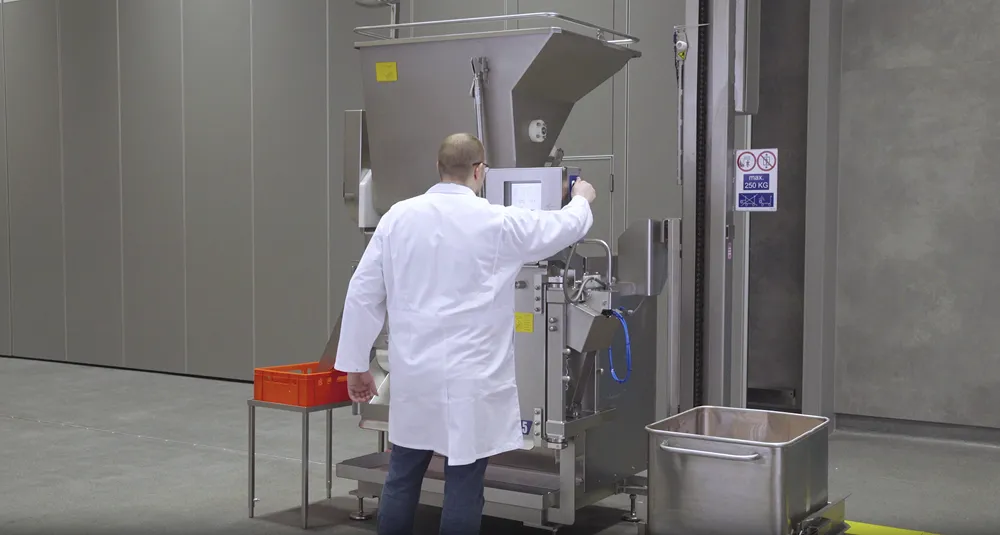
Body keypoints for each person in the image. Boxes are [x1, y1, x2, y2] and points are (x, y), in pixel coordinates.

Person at [334, 133, 596, 535]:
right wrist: (581, 197)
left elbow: (364, 293)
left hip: (414, 377)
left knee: (402, 476)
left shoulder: (397, 218)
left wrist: (355, 366)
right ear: (480, 171)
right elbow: (562, 227)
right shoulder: (497, 221)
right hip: (470, 383)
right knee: (464, 482)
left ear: (438, 169)